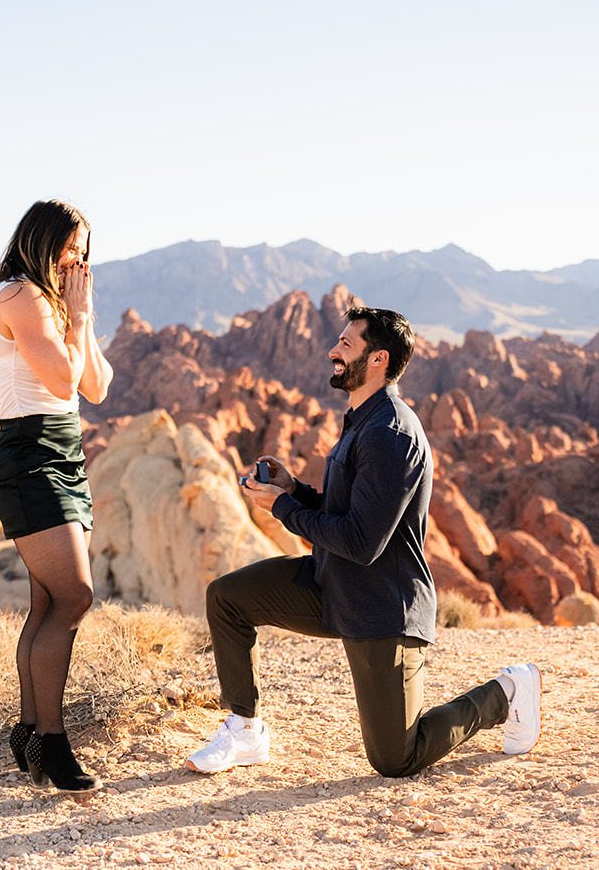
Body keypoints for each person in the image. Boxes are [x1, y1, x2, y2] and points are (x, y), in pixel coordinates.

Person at [184, 305, 542, 778]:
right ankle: (245, 730)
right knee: (228, 598)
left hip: (381, 607)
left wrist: (283, 508)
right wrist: (295, 490)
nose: (333, 351)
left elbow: (361, 541)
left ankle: (508, 693)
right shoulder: (361, 420)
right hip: (330, 585)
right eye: (339, 341)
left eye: (346, 344)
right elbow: (345, 510)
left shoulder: (390, 433)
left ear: (378, 359)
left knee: (396, 758)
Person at [0, 199, 113, 792]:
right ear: (41, 240)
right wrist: (74, 317)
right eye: (69, 247)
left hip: (64, 455)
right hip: (29, 456)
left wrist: (82, 316)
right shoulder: (20, 296)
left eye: (83, 251)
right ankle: (52, 743)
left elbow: (96, 386)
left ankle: (30, 731)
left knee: (49, 603)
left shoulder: (52, 303)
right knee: (75, 595)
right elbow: (61, 380)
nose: (76, 259)